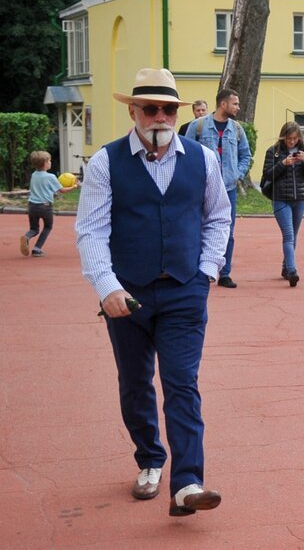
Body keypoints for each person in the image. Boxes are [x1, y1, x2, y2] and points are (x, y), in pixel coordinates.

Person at [75, 68, 231, 517]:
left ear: (177, 112)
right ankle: (149, 458)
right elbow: (90, 231)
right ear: (133, 111)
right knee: (136, 384)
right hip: (128, 295)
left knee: (182, 384)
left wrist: (206, 271)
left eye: (168, 108)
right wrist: (106, 287)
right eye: (150, 108)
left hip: (185, 291)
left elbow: (219, 216)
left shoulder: (202, 158)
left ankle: (187, 483)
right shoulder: (106, 161)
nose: (159, 116)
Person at [187, 88, 251, 288]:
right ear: (223, 104)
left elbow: (246, 155)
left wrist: (237, 174)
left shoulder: (237, 129)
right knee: (197, 228)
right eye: (235, 104)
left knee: (227, 231)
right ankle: (199, 270)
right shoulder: (197, 127)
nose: (238, 108)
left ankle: (225, 272)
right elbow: (186, 153)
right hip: (202, 188)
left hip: (228, 189)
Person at [261, 121, 304, 287]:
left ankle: (286, 268)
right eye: (288, 139)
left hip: (299, 199)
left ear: (299, 138)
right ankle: (292, 271)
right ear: (283, 137)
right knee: (288, 235)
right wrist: (283, 164)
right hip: (280, 199)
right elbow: (267, 174)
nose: (292, 142)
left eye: (294, 138)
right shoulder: (274, 152)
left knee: (294, 236)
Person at [20, 150, 77, 257]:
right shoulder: (50, 177)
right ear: (45, 163)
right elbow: (62, 190)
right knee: (48, 227)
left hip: (32, 206)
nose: (50, 162)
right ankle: (36, 249)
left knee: (34, 229)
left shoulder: (33, 175)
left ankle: (27, 236)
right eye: (49, 161)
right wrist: (74, 187)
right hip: (45, 207)